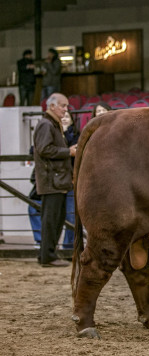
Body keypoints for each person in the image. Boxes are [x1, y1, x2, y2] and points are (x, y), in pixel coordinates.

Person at [33, 93, 76, 267]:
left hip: (55, 181)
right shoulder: (46, 124)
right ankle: (48, 256)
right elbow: (45, 149)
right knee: (52, 220)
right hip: (52, 181)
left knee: (55, 220)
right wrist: (69, 152)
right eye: (63, 106)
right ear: (52, 106)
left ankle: (47, 254)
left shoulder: (50, 124)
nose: (65, 110)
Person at [61, 111, 80, 249]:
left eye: (67, 117)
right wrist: (68, 151)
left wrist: (65, 132)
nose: (64, 119)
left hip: (71, 180)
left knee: (71, 215)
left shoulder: (75, 135)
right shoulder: (53, 131)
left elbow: (77, 150)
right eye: (63, 116)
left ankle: (68, 246)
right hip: (57, 180)